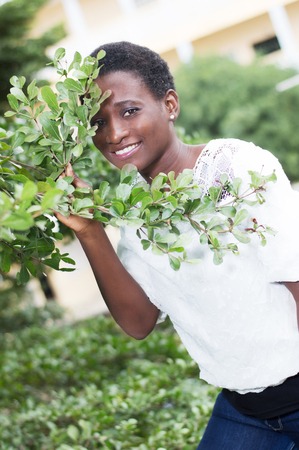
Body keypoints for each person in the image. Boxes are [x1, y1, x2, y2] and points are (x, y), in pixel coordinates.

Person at [55, 41, 299, 449]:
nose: (115, 133)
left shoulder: (236, 169)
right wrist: (90, 230)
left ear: (169, 104)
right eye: (98, 122)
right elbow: (139, 321)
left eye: (129, 110)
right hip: (245, 408)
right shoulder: (132, 206)